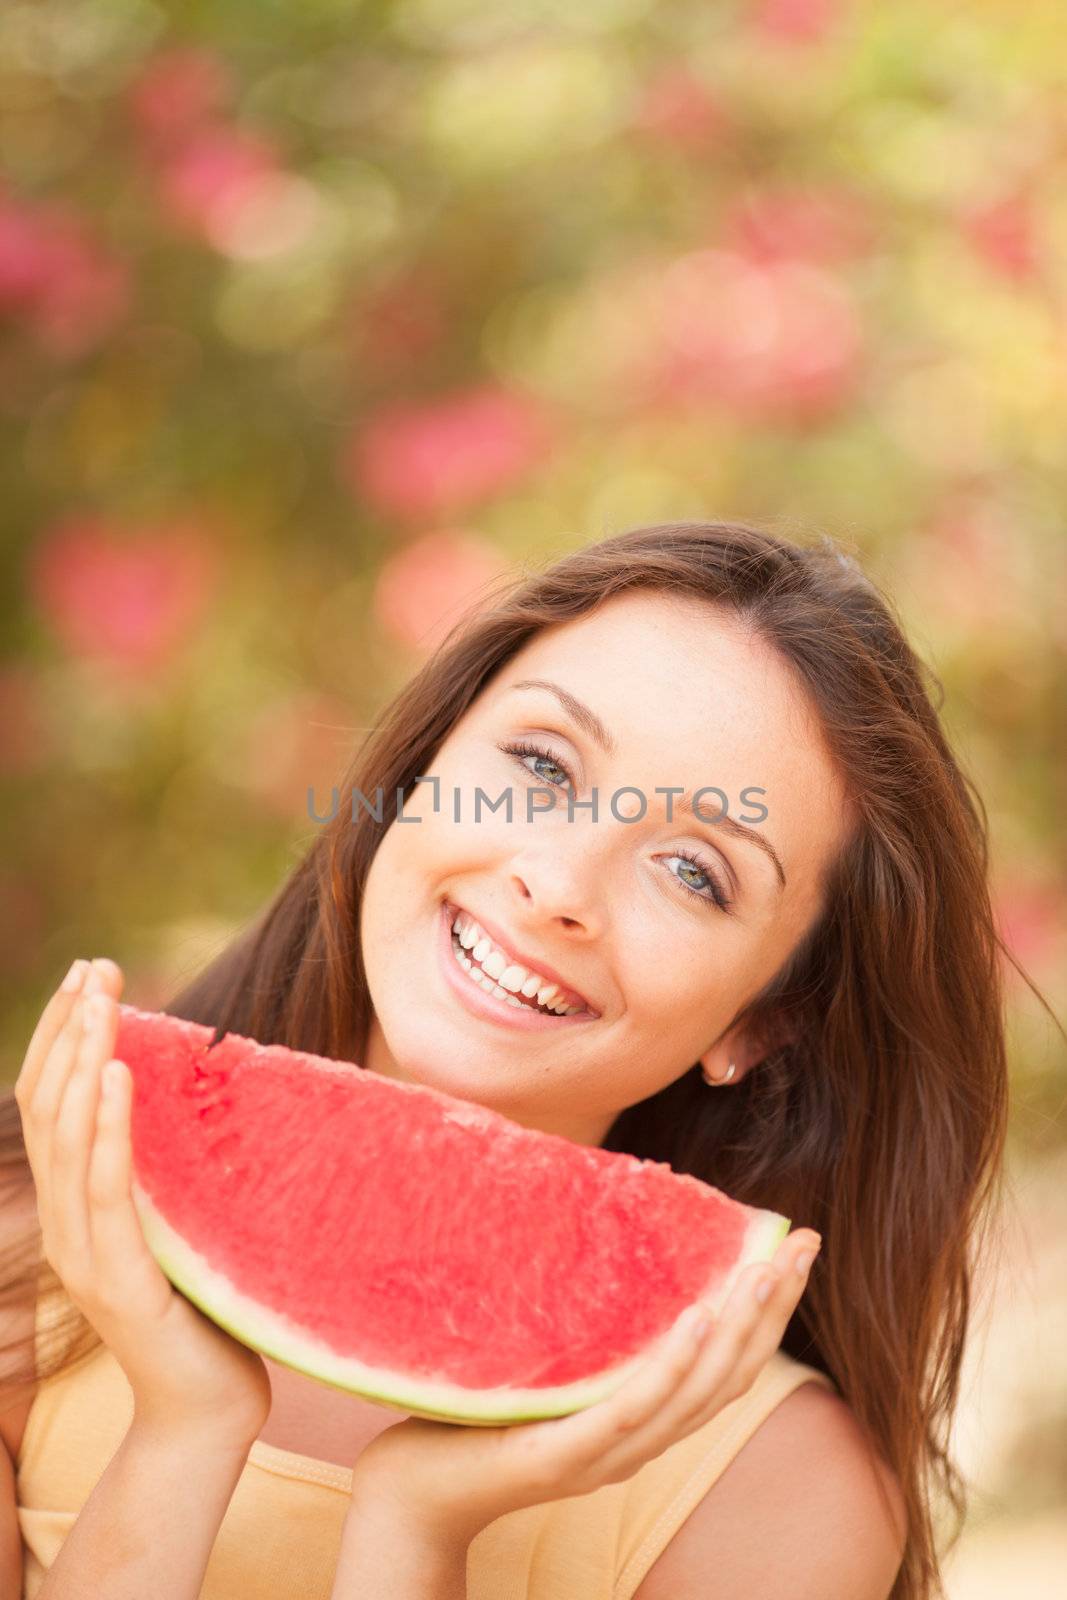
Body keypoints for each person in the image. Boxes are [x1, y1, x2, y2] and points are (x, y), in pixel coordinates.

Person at [0, 520, 1015, 1599]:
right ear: (416, 771)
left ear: (760, 1023)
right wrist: (181, 1431)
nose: (558, 883)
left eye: (691, 869)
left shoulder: (774, 1489)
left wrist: (415, 1531)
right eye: (538, 763)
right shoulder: (27, 1251)